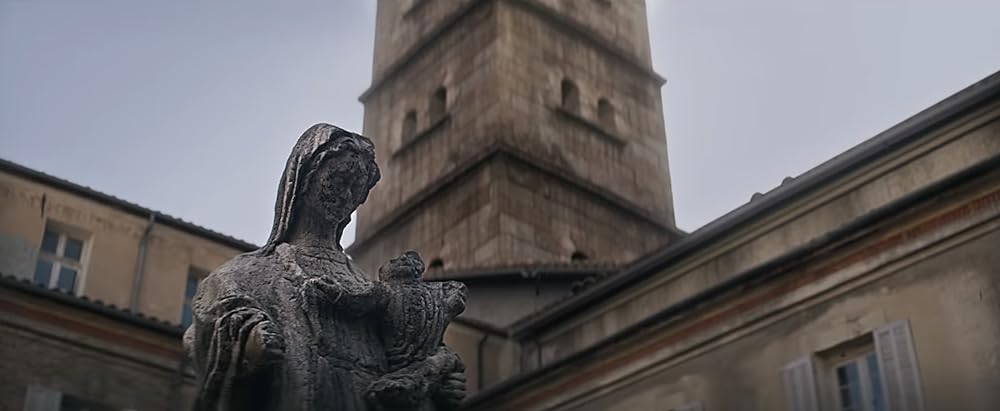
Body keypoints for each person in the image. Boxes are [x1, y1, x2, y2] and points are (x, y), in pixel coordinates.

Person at [184, 124, 465, 411]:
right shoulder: (244, 275)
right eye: (338, 180)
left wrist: (440, 385)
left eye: (356, 188)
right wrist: (248, 343)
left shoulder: (371, 288)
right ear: (303, 179)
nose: (346, 195)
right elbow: (200, 336)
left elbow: (404, 363)